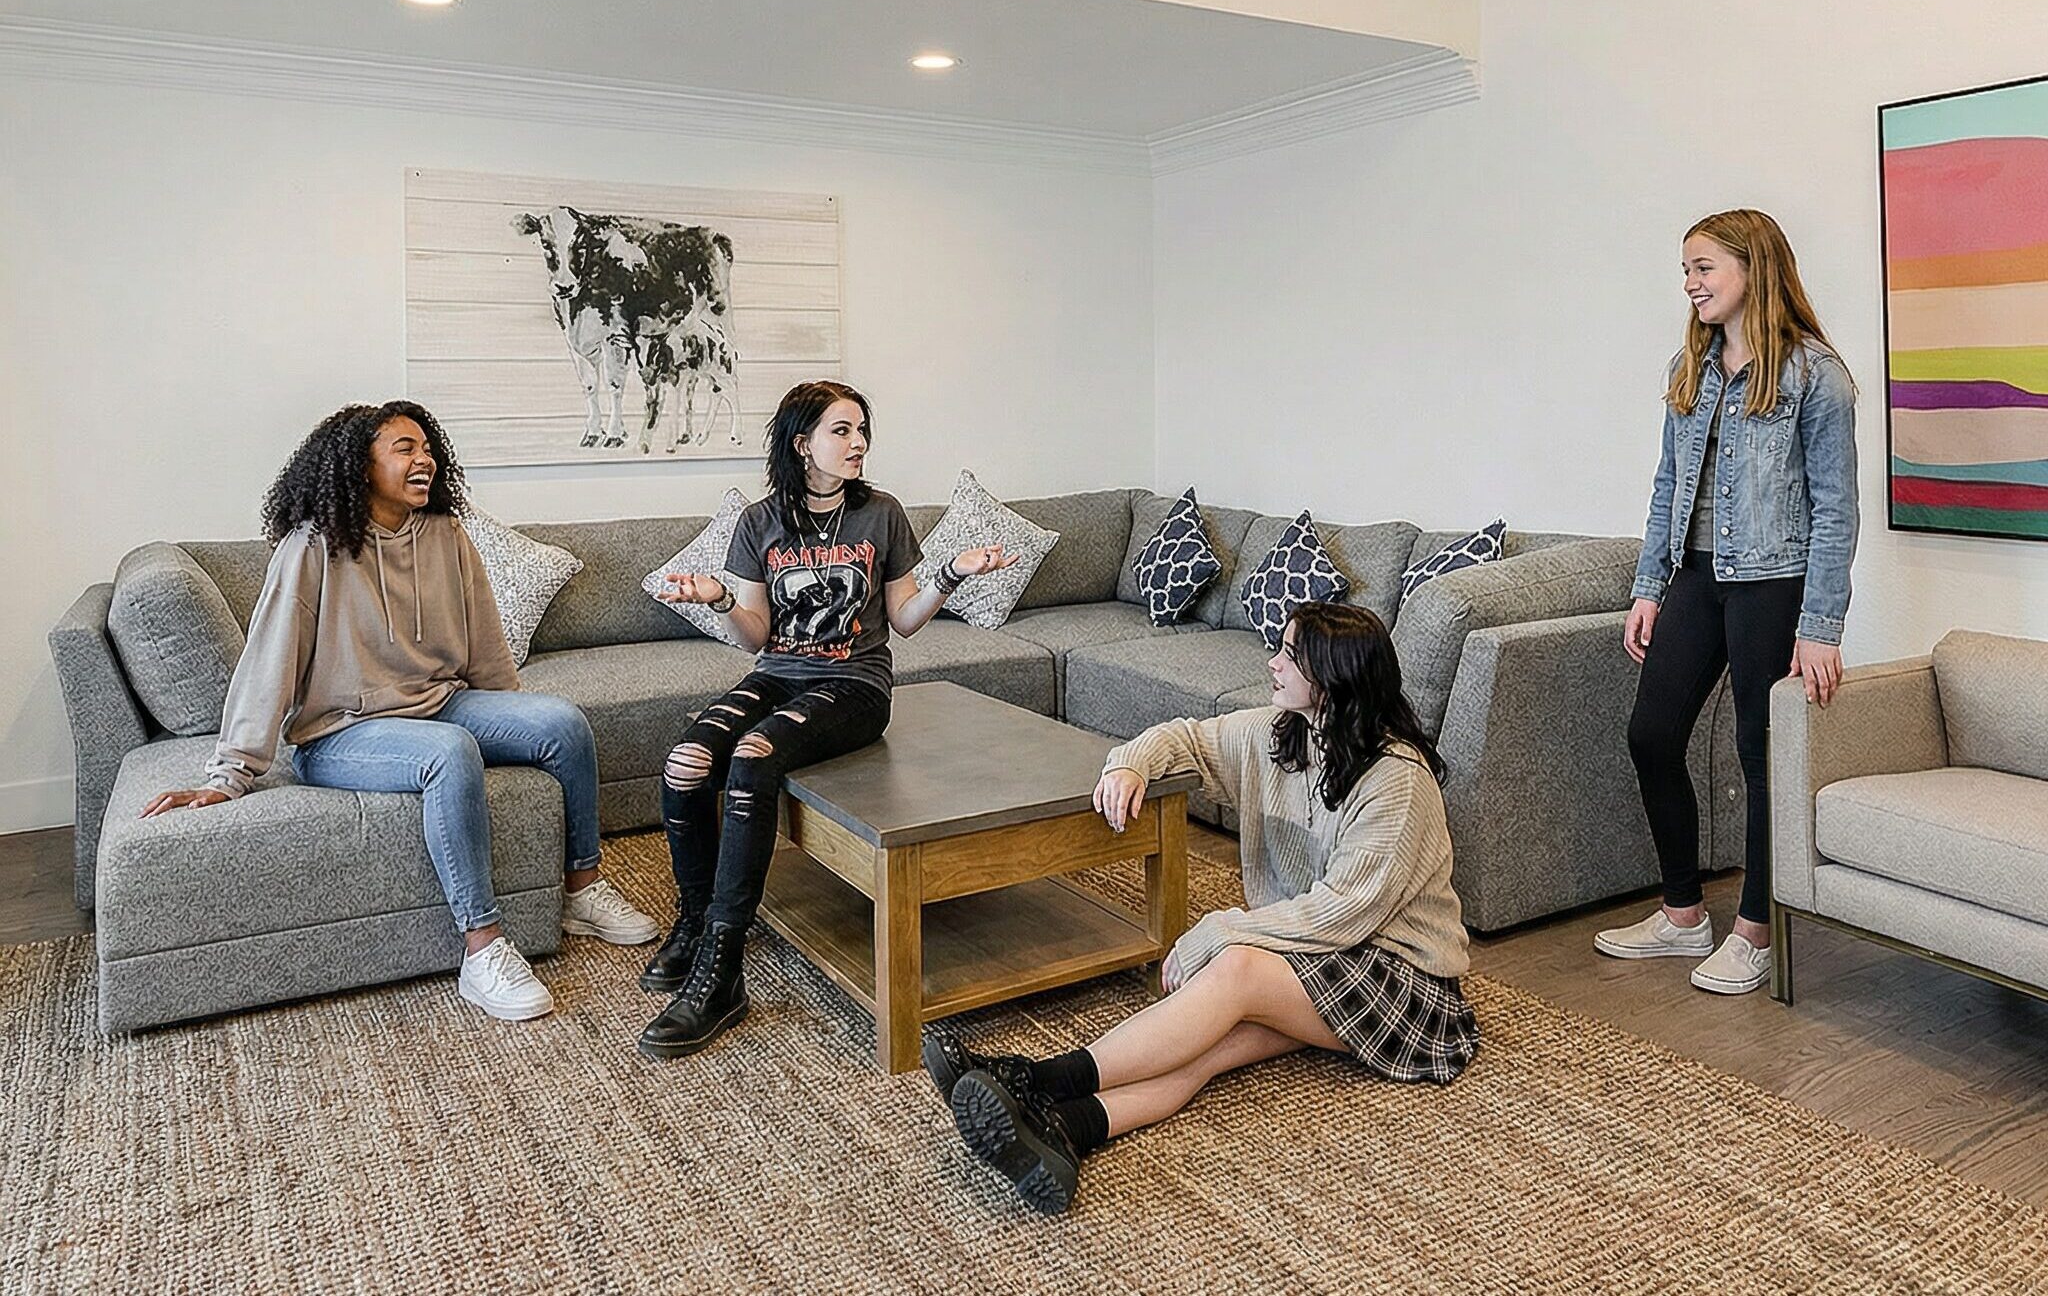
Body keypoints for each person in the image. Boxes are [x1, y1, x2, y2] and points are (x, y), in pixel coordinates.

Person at [925, 601, 1478, 1214]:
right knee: (1210, 1042)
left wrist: (1220, 929)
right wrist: (1131, 765)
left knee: (1234, 971)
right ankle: (1067, 1131)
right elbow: (1185, 738)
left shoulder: (1395, 780)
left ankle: (1036, 1079)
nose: (1272, 662)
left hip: (1404, 983)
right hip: (1321, 957)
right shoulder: (1283, 733)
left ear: (1332, 677)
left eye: (1290, 655)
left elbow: (1341, 913)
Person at [140, 401, 658, 1022]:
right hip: (343, 731)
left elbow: (485, 638)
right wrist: (229, 775)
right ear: (361, 467)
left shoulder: (446, 534)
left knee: (562, 724)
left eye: (427, 447)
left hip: (442, 703)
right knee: (449, 753)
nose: (425, 460)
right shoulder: (312, 547)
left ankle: (580, 889)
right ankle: (483, 948)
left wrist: (514, 715)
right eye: (404, 450)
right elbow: (269, 660)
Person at [638, 380, 1017, 1059]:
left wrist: (951, 574)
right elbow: (756, 637)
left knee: (754, 756)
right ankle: (695, 923)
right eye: (842, 431)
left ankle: (722, 972)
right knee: (686, 761)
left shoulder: (882, 515)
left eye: (862, 430)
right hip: (778, 674)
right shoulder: (760, 521)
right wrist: (717, 595)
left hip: (857, 686)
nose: (859, 443)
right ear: (801, 441)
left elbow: (902, 619)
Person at [1597, 208, 1858, 994]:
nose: (1690, 283)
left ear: (1754, 267)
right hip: (1697, 578)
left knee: (1759, 752)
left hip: (1773, 583)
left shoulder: (1817, 376)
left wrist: (1820, 626)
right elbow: (1668, 486)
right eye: (1687, 270)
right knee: (1651, 733)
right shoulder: (1694, 368)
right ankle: (1683, 914)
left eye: (1704, 267)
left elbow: (1836, 509)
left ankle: (1755, 930)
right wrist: (1649, 585)